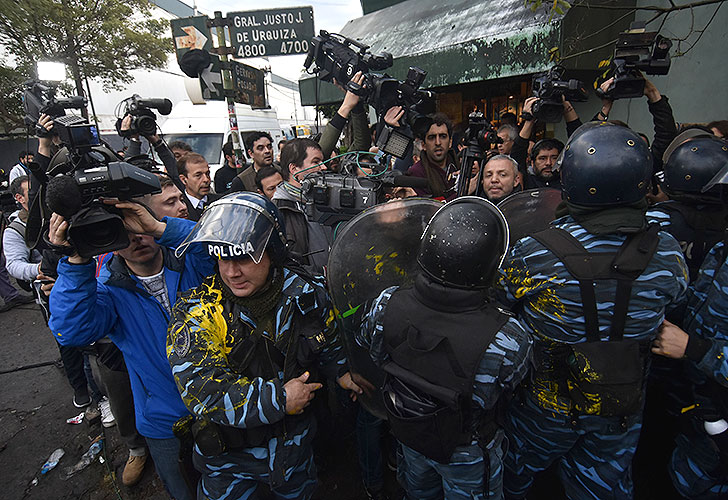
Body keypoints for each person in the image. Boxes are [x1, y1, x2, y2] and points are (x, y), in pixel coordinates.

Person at [498, 122, 688, 499]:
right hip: (620, 408)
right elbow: (676, 302)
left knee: (513, 478)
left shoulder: (534, 252)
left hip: (545, 408)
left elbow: (500, 303)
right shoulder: (666, 252)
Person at [166, 192, 360, 500]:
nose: (231, 272)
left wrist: (342, 372)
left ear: (272, 253)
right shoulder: (200, 312)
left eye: (243, 257)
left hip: (295, 453)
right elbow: (201, 391)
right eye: (222, 259)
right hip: (228, 464)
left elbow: (328, 337)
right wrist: (279, 399)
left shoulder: (305, 293)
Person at [357, 197, 532, 499]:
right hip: (465, 452)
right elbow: (510, 391)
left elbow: (374, 352)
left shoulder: (386, 304)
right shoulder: (509, 337)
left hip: (409, 433)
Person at [48, 199, 214, 500]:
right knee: (185, 490)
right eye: (122, 232)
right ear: (108, 241)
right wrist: (75, 261)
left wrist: (163, 228)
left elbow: (216, 245)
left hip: (224, 402)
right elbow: (70, 329)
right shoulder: (108, 290)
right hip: (164, 419)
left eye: (139, 227)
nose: (137, 238)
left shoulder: (192, 260)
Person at [271, 138, 331, 271]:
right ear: (294, 169)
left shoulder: (324, 198)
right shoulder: (279, 210)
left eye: (322, 161)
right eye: (316, 162)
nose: (324, 167)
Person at [406, 113, 459, 200]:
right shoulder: (416, 173)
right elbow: (429, 208)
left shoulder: (459, 166)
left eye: (443, 136)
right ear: (423, 145)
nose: (438, 142)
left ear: (450, 142)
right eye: (432, 137)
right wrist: (462, 191)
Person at [178, 152, 220, 221]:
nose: (206, 179)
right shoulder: (179, 208)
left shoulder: (220, 202)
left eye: (207, 174)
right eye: (198, 175)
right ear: (183, 179)